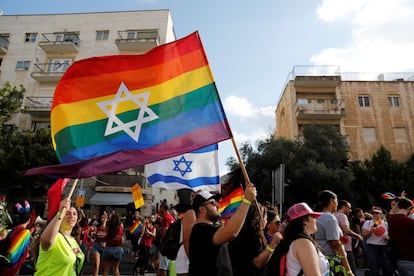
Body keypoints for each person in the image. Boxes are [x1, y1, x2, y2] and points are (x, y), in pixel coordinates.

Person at [188, 182, 257, 276]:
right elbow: (230, 232)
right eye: (213, 203)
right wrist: (247, 201)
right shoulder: (201, 230)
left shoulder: (206, 229)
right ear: (202, 209)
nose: (218, 205)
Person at [270, 202, 330, 276]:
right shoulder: (303, 243)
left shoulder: (299, 241)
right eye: (313, 216)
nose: (316, 220)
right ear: (304, 220)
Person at [228, 202, 283, 276]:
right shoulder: (253, 237)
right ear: (258, 218)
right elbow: (258, 262)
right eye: (265, 218)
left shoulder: (241, 234)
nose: (266, 221)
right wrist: (273, 244)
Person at [34, 198, 84, 276]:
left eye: (74, 214)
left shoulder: (73, 240)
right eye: (67, 213)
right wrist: (60, 212)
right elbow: (46, 241)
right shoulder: (54, 237)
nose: (71, 216)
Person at [314, 190, 354, 276]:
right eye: (336, 201)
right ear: (331, 201)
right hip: (332, 261)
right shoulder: (329, 218)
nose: (337, 204)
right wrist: (348, 271)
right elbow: (335, 244)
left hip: (320, 258)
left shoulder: (316, 216)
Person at [0, 200, 32, 276]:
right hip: (10, 268)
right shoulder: (25, 233)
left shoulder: (9, 230)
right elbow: (14, 254)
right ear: (29, 219)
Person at [361, 206, 393, 276]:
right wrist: (370, 231)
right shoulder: (368, 223)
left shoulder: (386, 224)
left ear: (381, 214)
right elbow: (364, 236)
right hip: (371, 247)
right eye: (374, 213)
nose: (375, 215)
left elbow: (391, 237)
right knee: (374, 268)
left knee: (387, 268)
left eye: (377, 213)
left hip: (383, 247)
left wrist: (387, 238)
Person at [334, 200, 363, 274]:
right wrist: (358, 236)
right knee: (351, 270)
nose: (350, 210)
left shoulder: (333, 215)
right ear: (344, 207)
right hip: (346, 248)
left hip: (337, 247)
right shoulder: (342, 216)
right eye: (349, 208)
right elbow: (346, 230)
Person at [387, 197, 414, 275]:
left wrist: (400, 200)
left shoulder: (391, 219)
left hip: (397, 257)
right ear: (409, 208)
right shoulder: (410, 222)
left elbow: (391, 212)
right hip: (410, 258)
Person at [173, 188, 196, 276]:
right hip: (185, 263)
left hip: (183, 261)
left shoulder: (184, 215)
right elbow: (187, 241)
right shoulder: (190, 214)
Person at [157, 203, 176, 276]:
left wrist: (159, 229)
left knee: (162, 268)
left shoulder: (165, 218)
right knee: (167, 267)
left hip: (166, 245)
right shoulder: (171, 217)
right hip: (172, 244)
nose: (159, 210)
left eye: (160, 208)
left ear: (163, 208)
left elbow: (164, 233)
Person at [92, 211, 108, 276]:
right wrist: (93, 234)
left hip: (105, 247)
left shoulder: (108, 227)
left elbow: (104, 229)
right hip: (97, 245)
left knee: (104, 268)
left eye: (104, 217)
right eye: (101, 217)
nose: (102, 219)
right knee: (96, 265)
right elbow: (94, 236)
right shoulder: (97, 226)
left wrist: (105, 221)